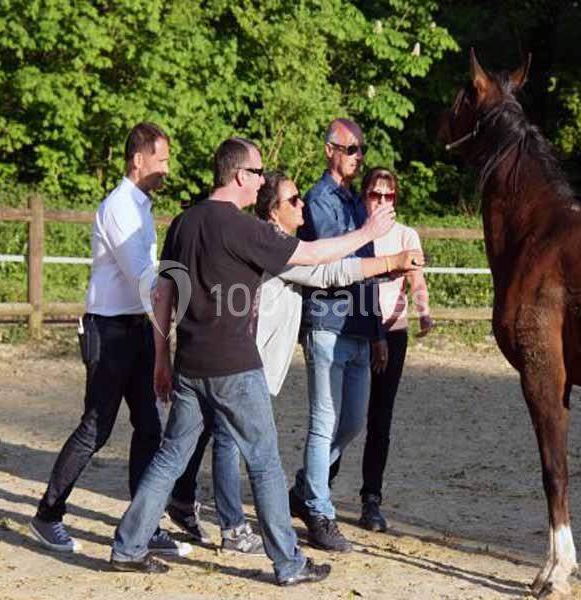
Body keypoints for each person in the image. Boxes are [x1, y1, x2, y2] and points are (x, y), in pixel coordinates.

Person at [109, 137, 396, 585]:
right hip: (235, 367)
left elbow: (164, 292)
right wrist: (368, 234)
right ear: (241, 176)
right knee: (264, 463)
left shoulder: (183, 222)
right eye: (259, 173)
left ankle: (127, 547)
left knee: (170, 458)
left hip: (190, 365)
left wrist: (161, 359)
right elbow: (313, 256)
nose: (262, 181)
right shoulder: (243, 228)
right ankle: (289, 563)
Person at [164, 171, 423, 554]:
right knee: (228, 442)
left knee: (187, 446)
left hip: (243, 358)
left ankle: (165, 514)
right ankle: (239, 530)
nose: (302, 205)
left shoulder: (280, 241)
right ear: (273, 212)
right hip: (239, 358)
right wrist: (382, 252)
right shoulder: (270, 243)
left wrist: (386, 267)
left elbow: (328, 269)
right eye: (293, 200)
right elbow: (325, 269)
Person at [28, 122, 189, 558]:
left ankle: (145, 522)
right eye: (162, 160)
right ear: (138, 160)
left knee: (149, 427)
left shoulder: (138, 206)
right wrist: (178, 308)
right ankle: (47, 514)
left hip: (134, 328)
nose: (167, 169)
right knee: (96, 428)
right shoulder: (120, 206)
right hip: (110, 330)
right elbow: (143, 278)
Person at [289, 118, 385, 552]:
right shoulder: (319, 199)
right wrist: (368, 232)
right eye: (351, 149)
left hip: (360, 326)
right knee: (324, 422)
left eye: (361, 150)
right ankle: (320, 512)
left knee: (352, 423)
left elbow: (368, 269)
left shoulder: (355, 200)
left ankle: (306, 489)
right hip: (328, 322)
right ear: (330, 149)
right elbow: (333, 260)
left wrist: (378, 330)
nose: (358, 157)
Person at [357, 167, 432, 531]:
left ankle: (371, 497)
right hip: (358, 331)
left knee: (380, 418)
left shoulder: (406, 235)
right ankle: (315, 488)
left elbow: (416, 279)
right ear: (364, 195)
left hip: (394, 330)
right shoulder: (356, 231)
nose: (382, 201)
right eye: (375, 194)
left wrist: (424, 311)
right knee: (345, 416)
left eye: (389, 196)